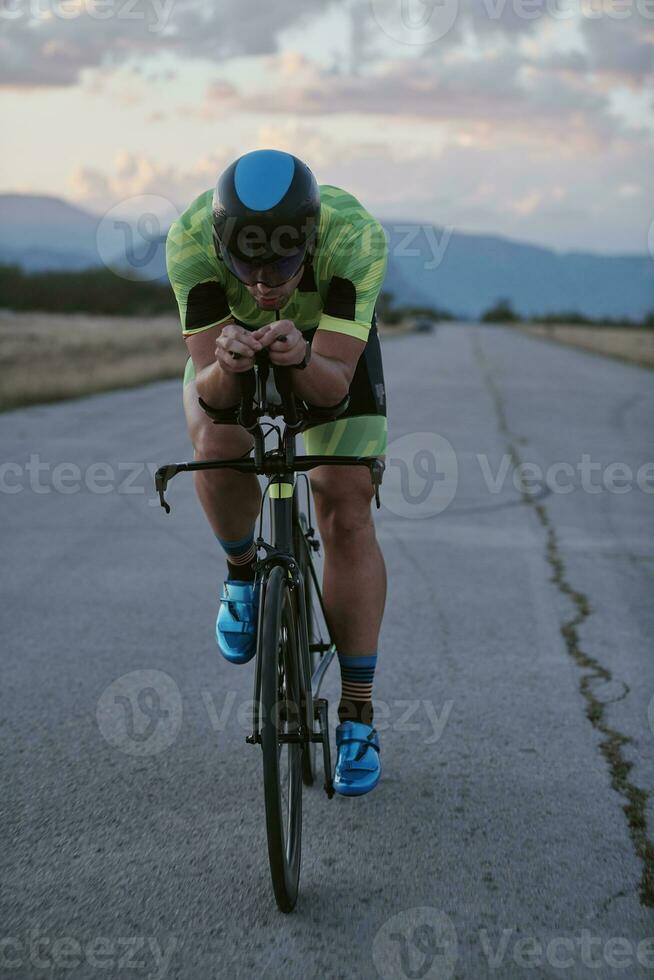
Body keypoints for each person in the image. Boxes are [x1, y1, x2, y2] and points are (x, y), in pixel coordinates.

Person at [166, 149, 388, 796]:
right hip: (229, 351)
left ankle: (357, 715)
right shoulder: (187, 239)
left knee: (346, 501)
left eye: (285, 264)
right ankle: (241, 576)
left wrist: (297, 358)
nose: (264, 283)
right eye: (246, 264)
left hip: (325, 350)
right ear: (218, 242)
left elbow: (332, 388)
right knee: (217, 442)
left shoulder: (356, 238)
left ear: (312, 240)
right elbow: (212, 395)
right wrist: (229, 367)